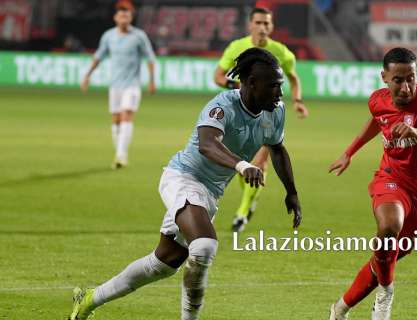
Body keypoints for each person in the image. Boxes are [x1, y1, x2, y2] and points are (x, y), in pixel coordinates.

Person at [68, 48, 302, 320]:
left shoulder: (275, 112)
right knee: (204, 246)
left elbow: (277, 149)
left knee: (163, 263)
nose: (280, 93)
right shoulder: (222, 106)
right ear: (251, 83)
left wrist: (292, 193)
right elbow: (207, 144)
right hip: (183, 178)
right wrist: (242, 164)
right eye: (273, 86)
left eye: (281, 86)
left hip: (210, 193)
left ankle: (89, 299)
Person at [328, 47, 417, 320]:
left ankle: (340, 309)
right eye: (398, 79)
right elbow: (378, 120)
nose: (406, 86)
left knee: (387, 255)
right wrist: (349, 152)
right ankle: (386, 293)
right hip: (392, 178)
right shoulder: (377, 100)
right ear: (384, 77)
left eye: (411, 78)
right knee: (389, 227)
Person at [213, 7, 308, 232]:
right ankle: (251, 199)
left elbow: (294, 79)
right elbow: (217, 76)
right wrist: (236, 86)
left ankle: (242, 212)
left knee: (260, 160)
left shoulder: (281, 52)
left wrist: (297, 101)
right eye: (258, 23)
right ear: (250, 25)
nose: (263, 27)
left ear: (272, 26)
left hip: (267, 111)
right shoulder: (237, 47)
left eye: (267, 23)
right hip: (240, 111)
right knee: (241, 160)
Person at [81, 0, 156, 169]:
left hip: (132, 85)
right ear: (115, 18)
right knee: (116, 120)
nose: (124, 17)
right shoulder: (108, 36)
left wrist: (152, 80)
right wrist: (87, 75)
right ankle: (119, 152)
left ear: (131, 18)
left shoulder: (139, 36)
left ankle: (121, 155)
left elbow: (150, 58)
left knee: (126, 116)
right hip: (115, 85)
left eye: (127, 15)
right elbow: (98, 56)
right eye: (121, 15)